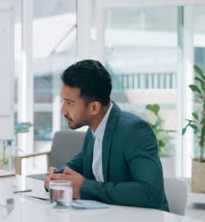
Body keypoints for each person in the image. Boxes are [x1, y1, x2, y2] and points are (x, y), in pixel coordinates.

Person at [44, 59, 169, 211]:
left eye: (69, 103)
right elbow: (78, 163)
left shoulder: (134, 131)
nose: (63, 111)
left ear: (94, 107)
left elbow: (149, 193)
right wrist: (57, 177)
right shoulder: (94, 130)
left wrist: (84, 188)